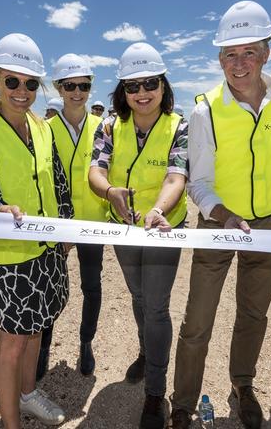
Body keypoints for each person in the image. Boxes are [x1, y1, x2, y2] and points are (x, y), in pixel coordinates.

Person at [170, 1, 271, 429]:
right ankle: (182, 403)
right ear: (219, 58)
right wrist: (224, 215)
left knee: (253, 315)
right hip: (217, 224)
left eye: (249, 52)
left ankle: (242, 385)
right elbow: (199, 182)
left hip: (270, 226)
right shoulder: (206, 111)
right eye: (229, 54)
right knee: (198, 319)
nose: (239, 64)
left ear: (267, 53)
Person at [0, 33, 69, 427]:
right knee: (11, 343)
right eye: (12, 81)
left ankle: (27, 395)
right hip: (9, 258)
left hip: (46, 250)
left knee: (37, 327)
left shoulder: (42, 129)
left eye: (30, 83)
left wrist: (66, 231)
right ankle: (11, 423)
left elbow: (58, 184)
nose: (21, 91)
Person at [88, 42, 188, 429]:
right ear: (122, 92)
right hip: (124, 229)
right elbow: (98, 170)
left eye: (150, 84)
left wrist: (159, 210)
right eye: (133, 86)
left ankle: (155, 394)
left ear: (163, 86)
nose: (142, 93)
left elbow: (176, 176)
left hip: (163, 229)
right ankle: (148, 352)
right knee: (139, 296)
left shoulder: (179, 126)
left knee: (158, 306)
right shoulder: (110, 126)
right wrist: (109, 191)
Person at [37, 54, 107, 379]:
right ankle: (42, 349)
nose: (77, 92)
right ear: (58, 88)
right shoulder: (43, 129)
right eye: (70, 86)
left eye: (83, 85)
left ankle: (86, 343)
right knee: (49, 288)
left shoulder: (104, 128)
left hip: (93, 222)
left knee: (91, 287)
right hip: (57, 225)